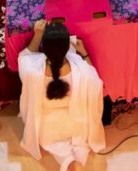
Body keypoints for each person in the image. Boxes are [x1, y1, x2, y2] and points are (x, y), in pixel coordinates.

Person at [18, 20, 105, 171]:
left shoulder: (32, 72)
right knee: (80, 146)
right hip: (77, 123)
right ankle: (75, 163)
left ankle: (71, 162)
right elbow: (95, 80)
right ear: (67, 48)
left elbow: (24, 56)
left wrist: (38, 34)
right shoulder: (81, 70)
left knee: (59, 149)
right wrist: (84, 53)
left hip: (47, 129)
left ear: (43, 48)